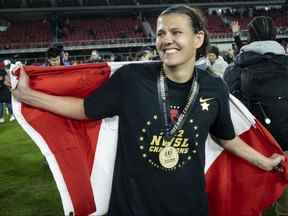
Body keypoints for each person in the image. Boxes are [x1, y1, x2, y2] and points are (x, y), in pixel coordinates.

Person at [5, 5, 284, 216]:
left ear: (198, 39)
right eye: (161, 33)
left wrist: (263, 161)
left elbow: (226, 137)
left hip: (190, 207)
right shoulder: (131, 79)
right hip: (132, 208)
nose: (166, 40)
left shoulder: (213, 87)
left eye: (176, 32)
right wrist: (29, 95)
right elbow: (84, 109)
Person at [224, 16, 288, 216]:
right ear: (276, 36)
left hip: (252, 146)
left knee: (256, 200)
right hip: (286, 141)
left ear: (249, 37)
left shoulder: (234, 69)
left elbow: (231, 110)